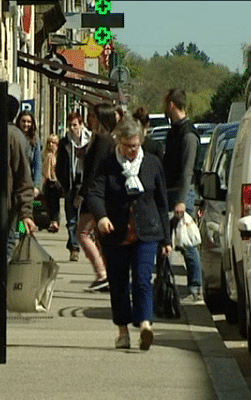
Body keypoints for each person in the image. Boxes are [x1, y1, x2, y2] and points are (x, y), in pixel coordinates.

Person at [87, 116, 172, 350]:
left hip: (147, 231)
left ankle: (145, 324)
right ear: (119, 142)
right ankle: (123, 331)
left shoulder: (152, 163)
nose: (132, 151)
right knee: (119, 283)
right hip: (117, 233)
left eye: (136, 146)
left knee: (143, 278)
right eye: (127, 146)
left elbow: (162, 202)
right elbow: (94, 193)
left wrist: (166, 238)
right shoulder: (108, 164)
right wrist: (102, 217)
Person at [162, 88, 203, 302]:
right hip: (170, 192)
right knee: (165, 240)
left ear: (171, 105)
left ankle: (196, 286)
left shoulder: (188, 134)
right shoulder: (174, 131)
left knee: (186, 242)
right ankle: (165, 283)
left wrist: (181, 200)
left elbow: (188, 169)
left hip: (182, 194)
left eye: (165, 103)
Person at [76, 103, 119, 291]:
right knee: (101, 237)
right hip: (101, 195)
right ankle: (109, 273)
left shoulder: (102, 140)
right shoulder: (105, 139)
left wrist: (83, 195)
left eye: (93, 116)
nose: (89, 118)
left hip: (95, 196)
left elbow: (94, 171)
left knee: (83, 233)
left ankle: (102, 274)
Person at [56, 112, 92, 261]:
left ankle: (81, 242)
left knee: (83, 217)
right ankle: (74, 247)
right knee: (71, 219)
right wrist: (64, 183)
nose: (72, 128)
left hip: (85, 182)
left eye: (75, 125)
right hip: (70, 182)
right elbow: (59, 166)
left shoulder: (90, 141)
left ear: (81, 125)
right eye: (70, 125)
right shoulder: (65, 142)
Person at [6, 86, 36, 261]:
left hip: (5, 207)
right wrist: (26, 213)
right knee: (8, 244)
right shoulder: (16, 136)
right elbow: (24, 178)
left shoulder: (15, 137)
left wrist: (26, 213)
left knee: (9, 243)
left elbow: (25, 175)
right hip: (8, 206)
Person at [16, 111, 42, 196]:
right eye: (23, 121)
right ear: (19, 121)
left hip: (28, 181)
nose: (26, 124)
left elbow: (37, 164)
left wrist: (36, 186)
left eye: (29, 122)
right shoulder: (14, 137)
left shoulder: (35, 140)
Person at [42, 134, 62, 233]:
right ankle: (21, 231)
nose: (51, 145)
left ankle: (54, 221)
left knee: (54, 202)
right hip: (48, 182)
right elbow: (45, 172)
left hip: (56, 182)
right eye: (49, 142)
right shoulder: (46, 155)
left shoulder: (58, 156)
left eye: (53, 143)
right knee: (48, 203)